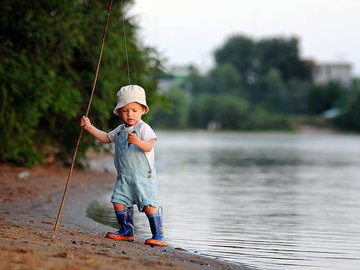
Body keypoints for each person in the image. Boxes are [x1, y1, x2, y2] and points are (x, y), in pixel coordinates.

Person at [80, 85, 165, 246]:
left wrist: (138, 141)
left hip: (143, 178)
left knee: (148, 205)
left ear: (142, 110)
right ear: (119, 112)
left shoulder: (144, 129)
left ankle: (158, 234)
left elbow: (149, 146)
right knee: (118, 201)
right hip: (124, 176)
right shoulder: (119, 130)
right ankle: (126, 230)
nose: (130, 114)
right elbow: (105, 137)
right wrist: (89, 127)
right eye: (125, 111)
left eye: (134, 110)